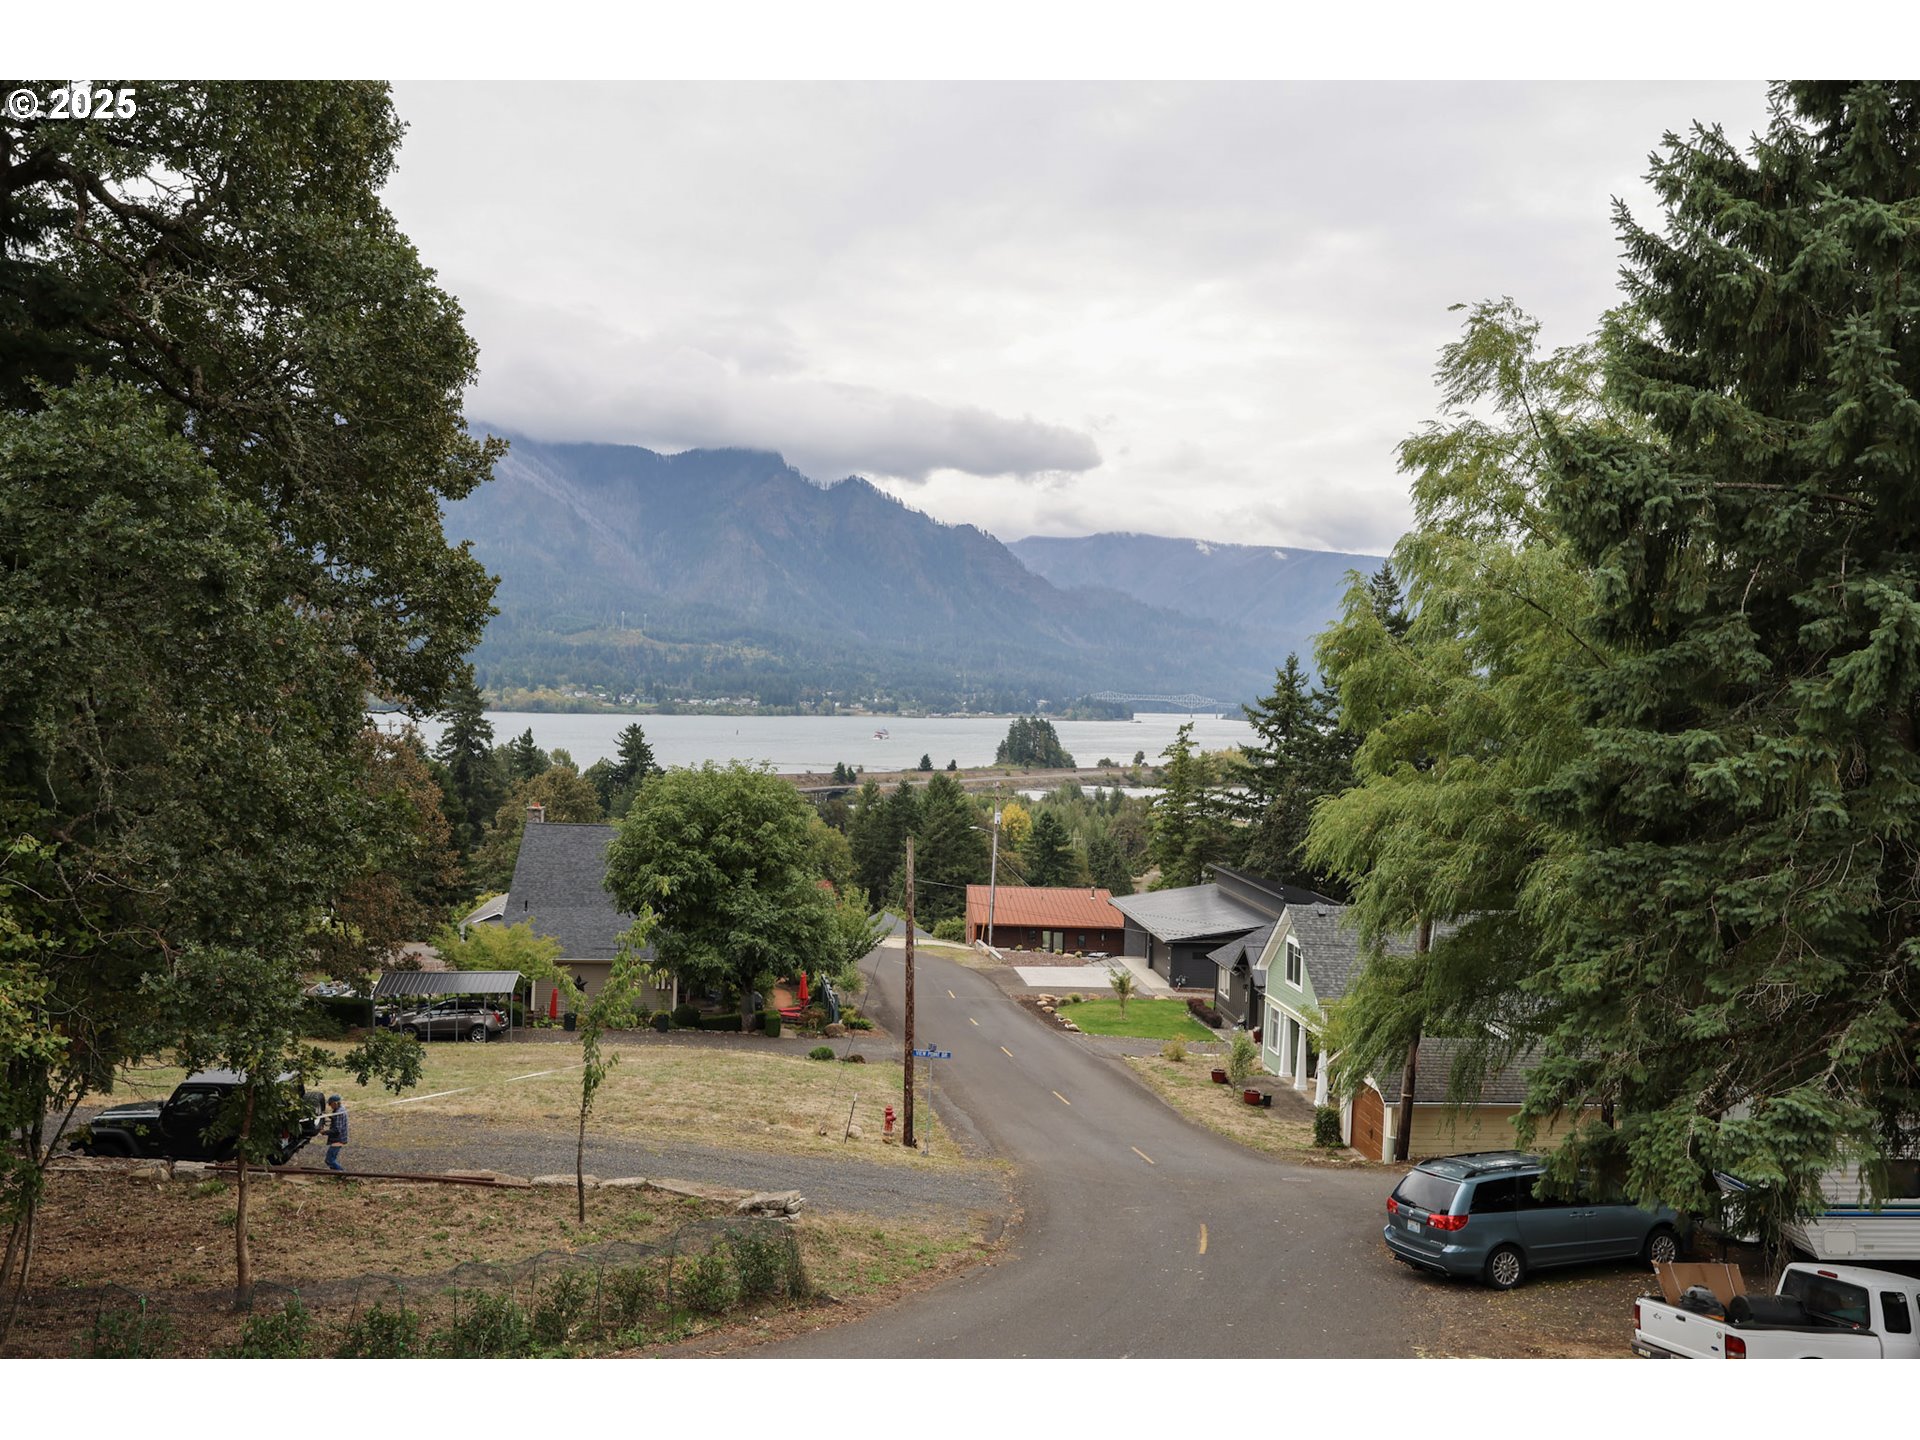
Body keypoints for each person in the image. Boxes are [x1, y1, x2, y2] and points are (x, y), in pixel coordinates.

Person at [323, 1094, 349, 1172]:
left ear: (335, 1103)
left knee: (329, 1160)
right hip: (340, 1138)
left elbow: (337, 1130)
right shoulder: (341, 1109)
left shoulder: (339, 1113)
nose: (329, 1106)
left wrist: (324, 1132)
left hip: (338, 1139)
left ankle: (342, 1173)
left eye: (330, 1104)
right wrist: (328, 1116)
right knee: (331, 1159)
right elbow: (336, 1118)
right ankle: (335, 1173)